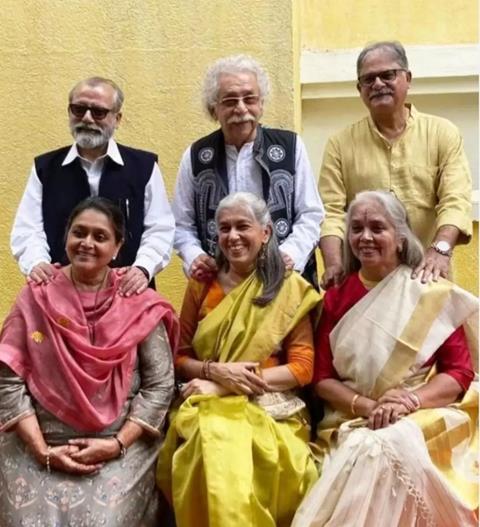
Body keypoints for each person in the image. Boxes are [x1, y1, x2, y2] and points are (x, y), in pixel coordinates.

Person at [292, 191, 478, 527]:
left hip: (424, 411)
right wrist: (368, 406)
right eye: (356, 228)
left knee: (382, 444)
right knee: (369, 444)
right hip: (351, 415)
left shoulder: (430, 291)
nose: (365, 237)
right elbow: (321, 379)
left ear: (401, 237)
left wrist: (408, 401)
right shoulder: (336, 298)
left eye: (378, 228)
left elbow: (459, 373)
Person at [0, 197, 178, 526]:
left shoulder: (137, 303)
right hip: (38, 442)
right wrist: (42, 450)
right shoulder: (35, 297)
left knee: (103, 520)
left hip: (120, 445)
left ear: (118, 247)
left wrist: (116, 444)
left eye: (100, 237)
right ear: (65, 237)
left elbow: (160, 385)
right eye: (78, 233)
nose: (87, 243)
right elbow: (8, 380)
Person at [157, 192, 321, 527]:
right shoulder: (202, 284)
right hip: (203, 398)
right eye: (224, 228)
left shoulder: (289, 287)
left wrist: (229, 385)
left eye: (242, 226)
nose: (232, 236)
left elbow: (303, 368)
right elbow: (180, 356)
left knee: (257, 449)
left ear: (265, 233)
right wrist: (215, 372)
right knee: (207, 444)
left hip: (271, 403)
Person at [319, 41, 472, 289]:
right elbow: (331, 212)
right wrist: (334, 264)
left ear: (407, 79)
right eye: (369, 79)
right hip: (365, 282)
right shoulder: (340, 144)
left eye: (387, 75)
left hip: (427, 275)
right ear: (360, 89)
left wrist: (441, 250)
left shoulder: (442, 133)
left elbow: (455, 200)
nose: (378, 84)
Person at [11, 76, 175, 296]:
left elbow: (160, 228)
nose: (87, 118)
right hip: (59, 295)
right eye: (78, 109)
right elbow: (28, 228)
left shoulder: (143, 167)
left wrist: (143, 268)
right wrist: (37, 263)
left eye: (98, 112)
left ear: (117, 118)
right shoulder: (45, 168)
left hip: (127, 295)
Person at [172, 55, 324, 287]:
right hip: (221, 282)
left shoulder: (290, 147)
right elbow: (182, 224)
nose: (241, 108)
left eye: (249, 99)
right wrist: (195, 256)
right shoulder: (196, 156)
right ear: (214, 109)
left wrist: (289, 255)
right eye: (230, 100)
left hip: (284, 280)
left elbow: (311, 214)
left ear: (261, 104)